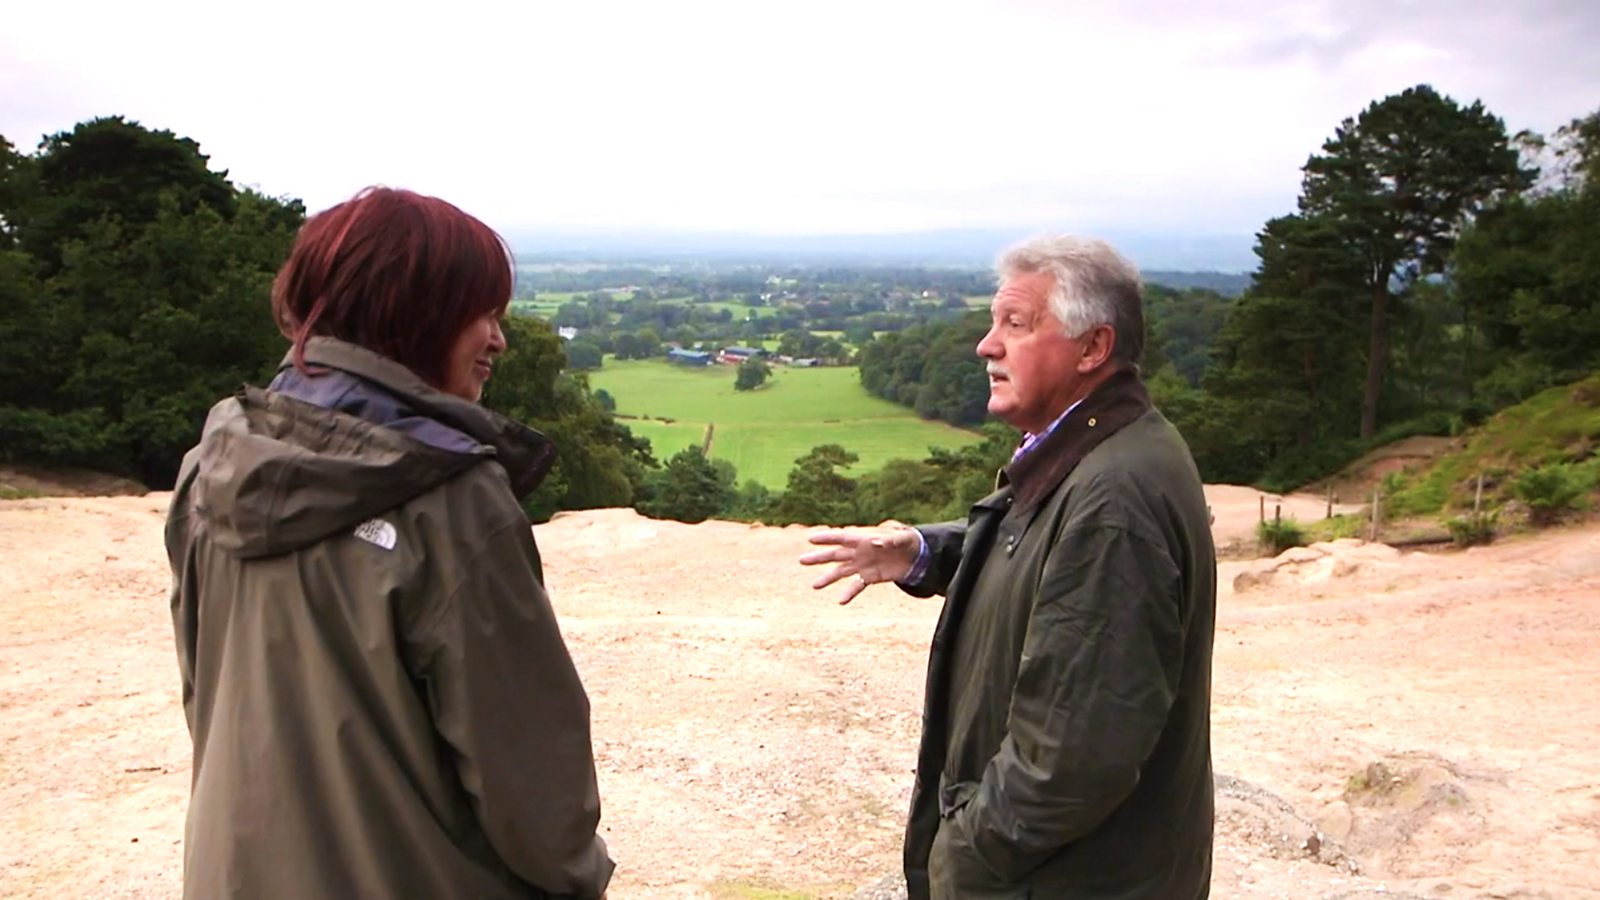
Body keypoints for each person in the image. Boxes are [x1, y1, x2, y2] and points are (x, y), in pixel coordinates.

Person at [165, 187, 614, 900]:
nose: (498, 338)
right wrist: (577, 877)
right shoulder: (452, 499)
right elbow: (527, 773)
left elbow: (207, 694)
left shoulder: (213, 466)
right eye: (483, 313)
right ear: (415, 309)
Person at [801, 235, 1216, 899]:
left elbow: (1071, 763)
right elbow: (1044, 544)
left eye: (1015, 325)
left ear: (1093, 348)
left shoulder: (1114, 499)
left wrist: (962, 858)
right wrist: (926, 551)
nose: (985, 345)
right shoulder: (1098, 452)